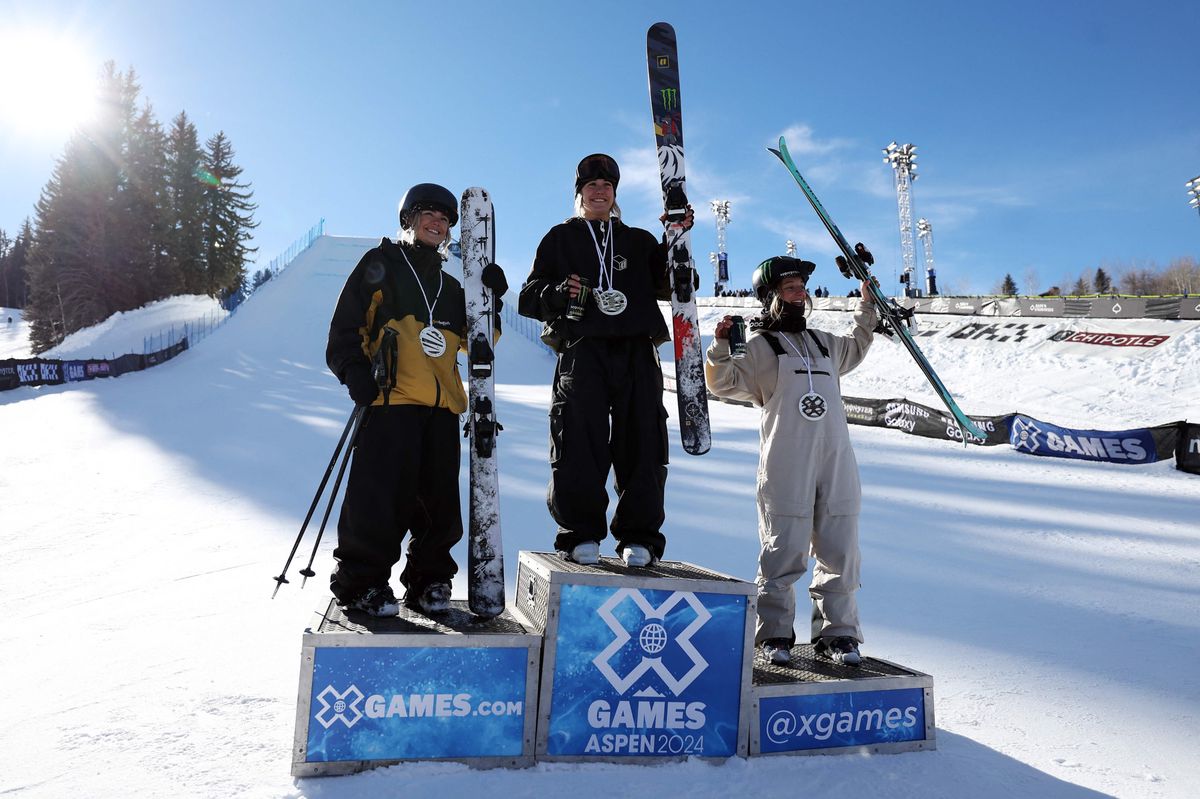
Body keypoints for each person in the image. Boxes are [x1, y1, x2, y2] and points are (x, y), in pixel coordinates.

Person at [325, 182, 507, 617]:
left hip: (441, 409)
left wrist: (490, 301)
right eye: (428, 214)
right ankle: (362, 584)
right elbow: (345, 329)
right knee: (379, 498)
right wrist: (355, 374)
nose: (437, 223)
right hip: (391, 403)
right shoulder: (381, 265)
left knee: (438, 506)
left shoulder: (450, 285)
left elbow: (481, 343)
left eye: (445, 220)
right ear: (408, 219)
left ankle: (429, 582)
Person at [517, 153, 690, 568]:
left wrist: (676, 238)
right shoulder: (560, 238)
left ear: (614, 196)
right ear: (580, 194)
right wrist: (559, 292)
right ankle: (580, 534)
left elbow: (675, 284)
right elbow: (528, 297)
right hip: (583, 349)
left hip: (635, 349)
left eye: (607, 186)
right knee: (578, 439)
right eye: (591, 186)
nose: (599, 191)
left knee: (644, 439)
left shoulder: (639, 240)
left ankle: (639, 537)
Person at [704, 254, 878, 666]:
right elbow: (723, 382)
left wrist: (867, 304)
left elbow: (856, 345)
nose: (800, 295)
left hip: (835, 459)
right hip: (786, 461)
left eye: (801, 288)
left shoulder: (823, 343)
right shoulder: (762, 348)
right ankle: (775, 635)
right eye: (790, 289)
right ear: (770, 297)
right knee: (783, 550)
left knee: (841, 551)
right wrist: (721, 346)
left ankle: (839, 635)